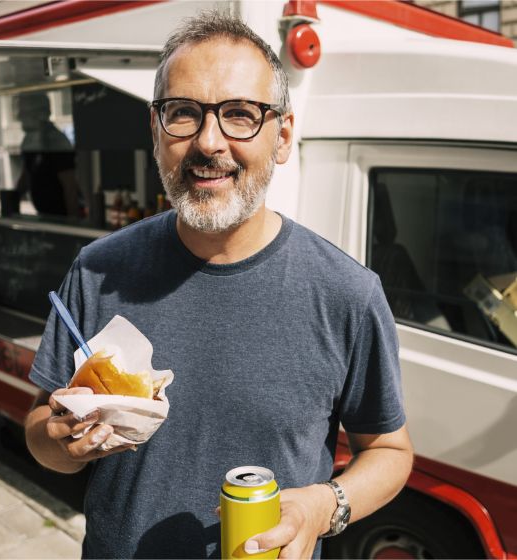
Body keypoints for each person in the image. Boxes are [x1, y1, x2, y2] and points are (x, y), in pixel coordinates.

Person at [25, 12, 413, 559]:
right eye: (183, 113)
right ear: (156, 132)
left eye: (240, 115)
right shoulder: (96, 270)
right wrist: (64, 444)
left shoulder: (347, 292)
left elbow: (391, 452)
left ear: (282, 137)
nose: (209, 142)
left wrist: (321, 507)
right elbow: (40, 427)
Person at [15, 92, 81, 218]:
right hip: (44, 216)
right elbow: (27, 175)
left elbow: (70, 187)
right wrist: (12, 199)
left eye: (23, 112)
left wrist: (73, 223)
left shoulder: (56, 141)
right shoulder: (29, 141)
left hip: (61, 217)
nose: (19, 117)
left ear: (39, 114)